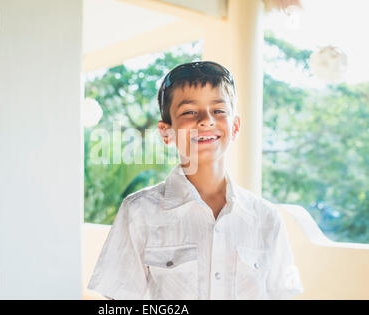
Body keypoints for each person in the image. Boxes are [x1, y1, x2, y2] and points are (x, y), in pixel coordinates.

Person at [87, 61, 304, 300]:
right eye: (190, 112)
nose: (206, 120)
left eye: (219, 110)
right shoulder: (139, 211)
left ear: (235, 126)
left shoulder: (266, 217)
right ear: (166, 132)